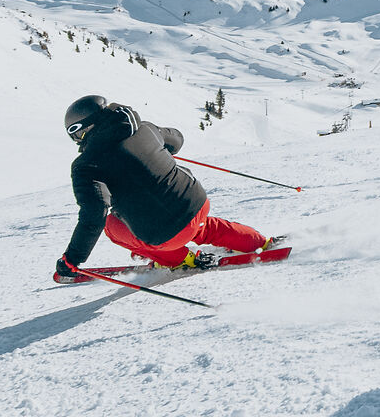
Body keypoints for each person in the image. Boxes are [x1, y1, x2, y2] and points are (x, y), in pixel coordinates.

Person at [54, 95, 271, 281]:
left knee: (112, 226)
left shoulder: (85, 165)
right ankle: (259, 241)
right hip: (197, 204)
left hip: (164, 235)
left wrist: (72, 259)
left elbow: (95, 214)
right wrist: (156, 147)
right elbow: (177, 139)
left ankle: (180, 259)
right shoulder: (144, 128)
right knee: (202, 228)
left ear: (82, 130)